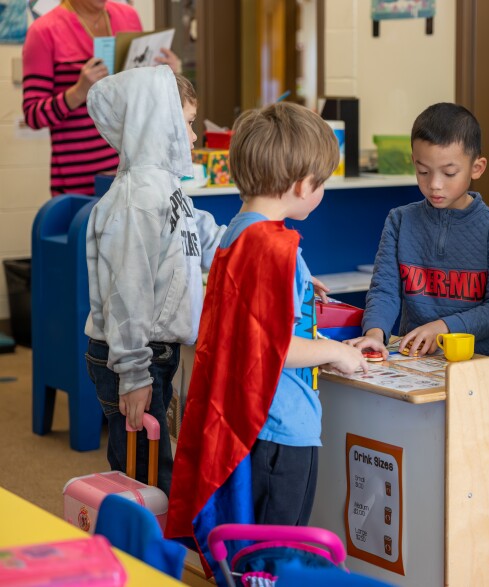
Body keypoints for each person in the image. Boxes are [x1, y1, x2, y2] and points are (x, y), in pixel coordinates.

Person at [165, 102, 369, 577]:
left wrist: (298, 284)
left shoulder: (237, 232)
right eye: (321, 183)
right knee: (279, 559)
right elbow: (276, 348)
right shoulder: (274, 247)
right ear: (302, 185)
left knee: (254, 552)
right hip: (283, 426)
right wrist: (340, 352)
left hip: (253, 424)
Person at [84, 66, 225, 498]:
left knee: (158, 471)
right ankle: (133, 559)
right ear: (157, 121)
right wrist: (134, 375)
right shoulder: (137, 199)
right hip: (131, 356)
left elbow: (206, 236)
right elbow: (127, 295)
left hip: (153, 353)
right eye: (186, 123)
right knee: (142, 480)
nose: (195, 136)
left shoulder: (167, 188)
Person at [348, 102, 489, 358]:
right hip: (416, 360)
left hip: (477, 365)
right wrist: (375, 333)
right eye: (423, 171)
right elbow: (384, 289)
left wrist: (443, 329)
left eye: (449, 173)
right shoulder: (399, 221)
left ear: (477, 167)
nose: (434, 184)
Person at [22, 0, 180, 196]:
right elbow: (33, 115)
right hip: (78, 181)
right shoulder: (44, 30)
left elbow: (143, 96)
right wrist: (79, 92)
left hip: (134, 173)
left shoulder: (128, 16)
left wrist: (167, 75)